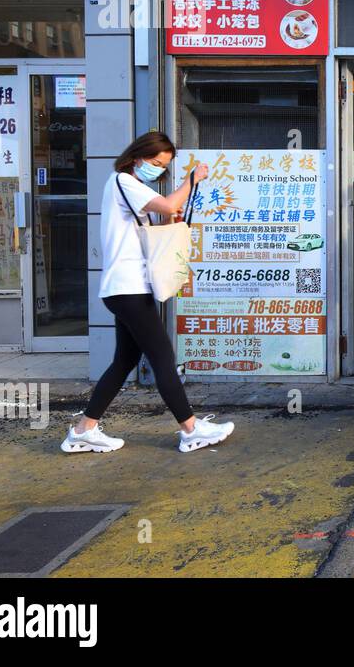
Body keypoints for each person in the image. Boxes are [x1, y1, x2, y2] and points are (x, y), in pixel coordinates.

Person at [62, 132, 235, 455]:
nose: (157, 169)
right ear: (137, 156)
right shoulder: (123, 182)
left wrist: (172, 212)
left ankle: (83, 430)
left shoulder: (130, 187)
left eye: (163, 166)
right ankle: (191, 429)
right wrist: (191, 180)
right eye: (155, 163)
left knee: (124, 361)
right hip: (128, 287)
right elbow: (169, 203)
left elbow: (162, 218)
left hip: (125, 287)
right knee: (163, 358)